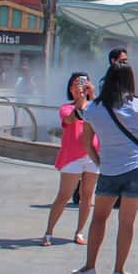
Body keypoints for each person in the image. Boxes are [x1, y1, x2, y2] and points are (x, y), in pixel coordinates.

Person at [72, 62, 138, 274]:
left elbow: (86, 142)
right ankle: (119, 271)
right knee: (126, 222)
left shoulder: (93, 109)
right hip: (136, 169)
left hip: (109, 170)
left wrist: (100, 162)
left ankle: (90, 266)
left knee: (99, 218)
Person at [43, 72, 99, 246]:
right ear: (70, 88)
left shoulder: (95, 106)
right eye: (76, 84)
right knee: (64, 195)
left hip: (93, 155)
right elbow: (71, 118)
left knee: (87, 195)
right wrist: (83, 98)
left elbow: (102, 116)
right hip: (72, 156)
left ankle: (80, 231)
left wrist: (93, 95)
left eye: (83, 83)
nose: (79, 86)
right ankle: (49, 232)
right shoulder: (66, 108)